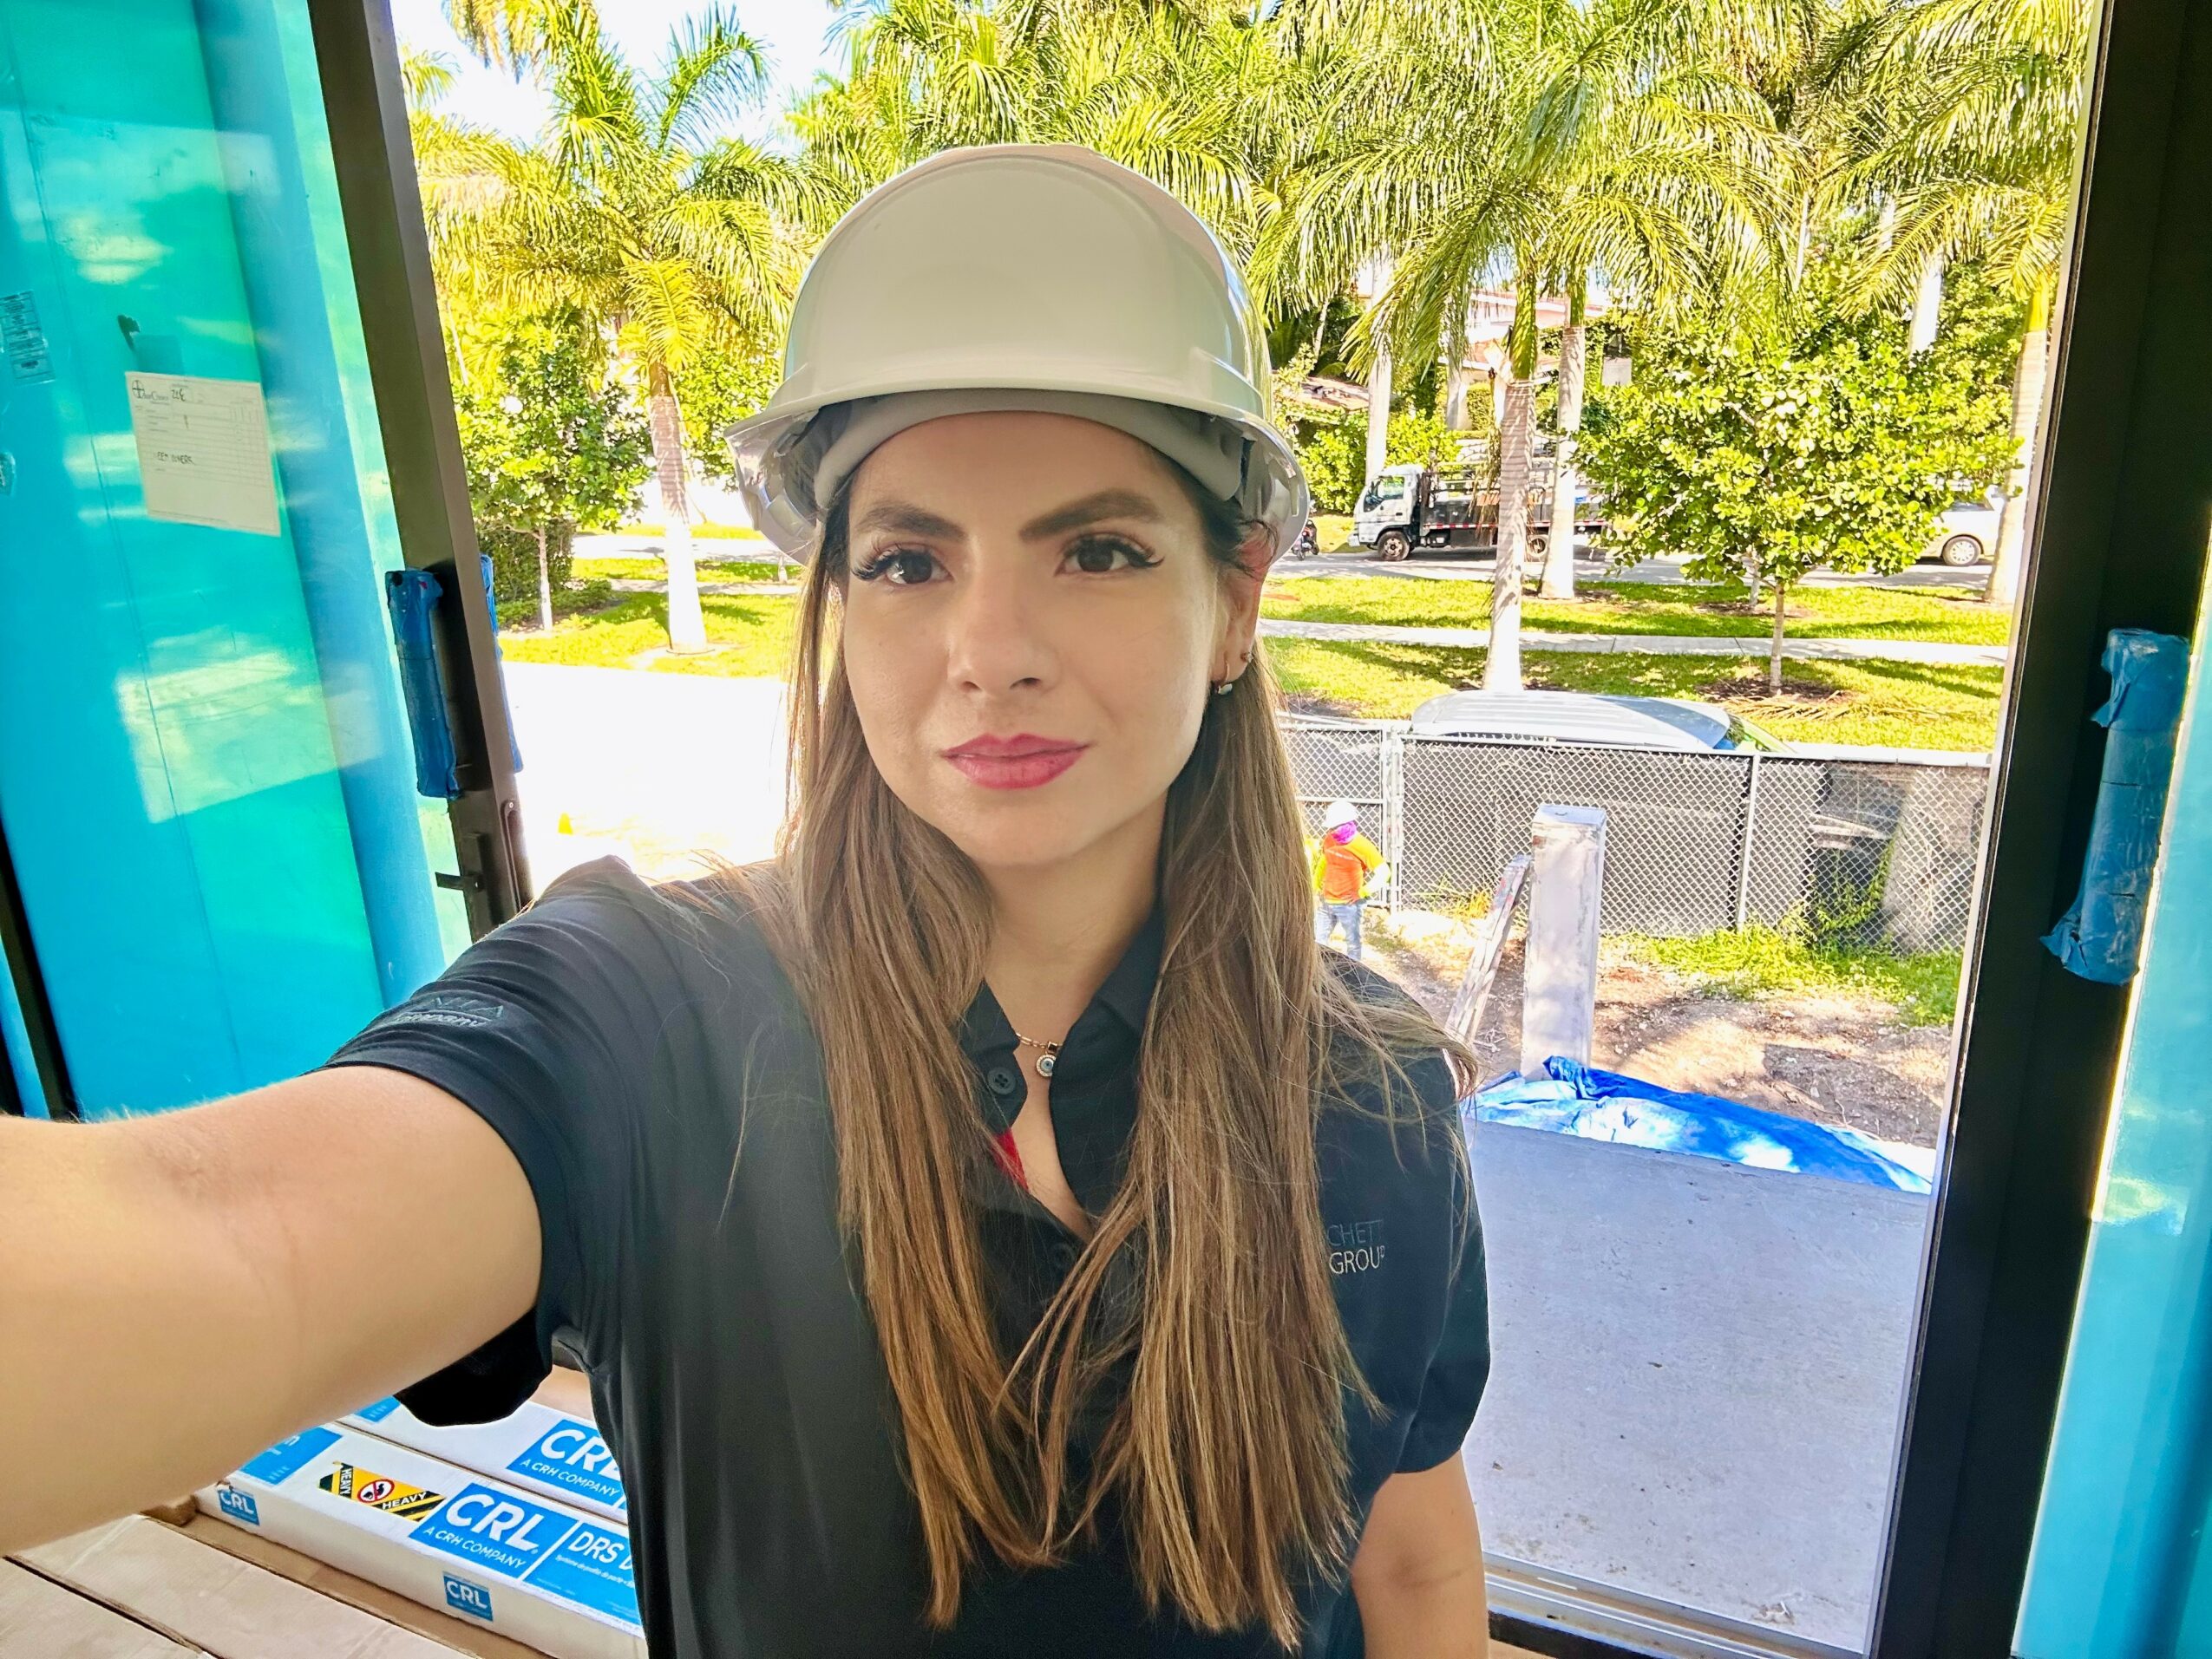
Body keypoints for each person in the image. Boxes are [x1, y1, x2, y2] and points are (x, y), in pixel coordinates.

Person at [0, 145, 1491, 1658]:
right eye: (907, 561)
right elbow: (231, 1232)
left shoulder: (1370, 1093)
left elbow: (1415, 1567)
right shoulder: (657, 1021)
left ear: (1234, 602)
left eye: (1097, 550)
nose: (992, 651)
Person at [1312, 800, 1390, 962]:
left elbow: (1384, 873)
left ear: (1348, 823)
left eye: (1335, 827)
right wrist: (1316, 884)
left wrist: (1362, 893)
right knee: (1319, 940)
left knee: (1353, 943)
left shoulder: (1363, 846)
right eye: (1331, 827)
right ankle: (1320, 968)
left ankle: (1354, 969)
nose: (1332, 831)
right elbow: (1323, 862)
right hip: (1326, 900)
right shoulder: (1329, 839)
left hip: (1348, 904)